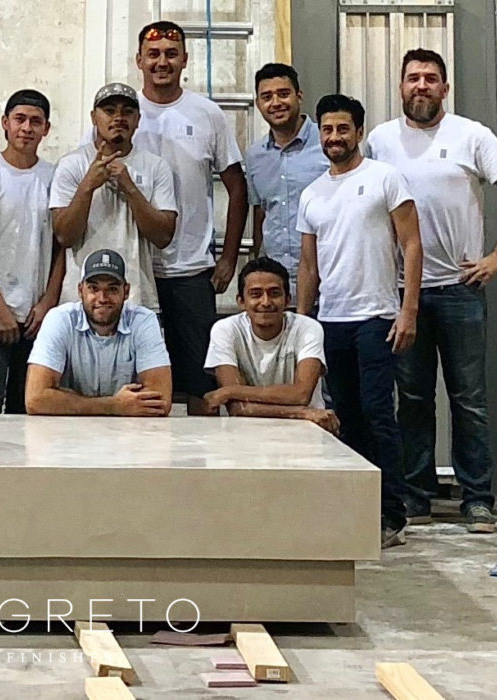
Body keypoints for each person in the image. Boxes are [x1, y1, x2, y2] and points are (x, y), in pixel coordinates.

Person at [367, 48, 497, 533]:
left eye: (430, 78)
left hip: (461, 290)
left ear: (445, 88)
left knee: (469, 399)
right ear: (401, 86)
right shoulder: (379, 140)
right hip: (405, 293)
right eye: (413, 78)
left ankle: (477, 499)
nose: (421, 85)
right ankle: (416, 496)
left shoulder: (471, 135)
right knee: (413, 399)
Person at [296, 94, 423, 549]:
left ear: (359, 132)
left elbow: (412, 245)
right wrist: (302, 324)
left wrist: (408, 310)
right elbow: (308, 266)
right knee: (345, 418)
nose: (334, 137)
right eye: (327, 130)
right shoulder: (311, 194)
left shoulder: (385, 178)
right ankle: (357, 511)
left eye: (343, 129)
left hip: (376, 317)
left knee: (377, 414)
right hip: (331, 321)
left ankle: (392, 514)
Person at [133, 20, 249, 414]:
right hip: (135, 270)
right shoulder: (122, 112)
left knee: (201, 381)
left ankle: (201, 453)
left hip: (191, 270)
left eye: (170, 54)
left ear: (185, 59)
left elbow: (237, 187)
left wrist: (229, 257)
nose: (161, 62)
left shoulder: (207, 113)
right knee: (139, 382)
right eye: (153, 54)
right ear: (139, 60)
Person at [0, 89, 64, 414]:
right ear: (5, 123)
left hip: (37, 316)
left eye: (36, 121)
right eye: (20, 119)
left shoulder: (55, 178)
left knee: (31, 406)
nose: (27, 128)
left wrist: (48, 302)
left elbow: (63, 247)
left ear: (46, 128)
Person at [51, 82, 176, 312]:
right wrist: (88, 186)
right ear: (93, 117)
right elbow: (64, 236)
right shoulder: (71, 164)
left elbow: (163, 236)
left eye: (127, 112)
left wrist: (130, 188)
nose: (118, 118)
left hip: (137, 298)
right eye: (109, 111)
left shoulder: (156, 166)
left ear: (138, 120)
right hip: (80, 300)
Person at [26, 249, 171, 416]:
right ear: (80, 290)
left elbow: (160, 401)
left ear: (126, 291)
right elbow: (35, 399)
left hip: (127, 429)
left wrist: (67, 400)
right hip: (70, 429)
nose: (102, 298)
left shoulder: (144, 321)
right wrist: (113, 405)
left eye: (112, 289)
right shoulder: (59, 319)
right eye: (93, 288)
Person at [203, 257, 337, 433]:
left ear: (287, 300)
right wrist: (301, 413)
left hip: (306, 430)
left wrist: (230, 391)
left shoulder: (308, 328)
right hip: (248, 430)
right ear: (241, 301)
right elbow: (237, 408)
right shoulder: (225, 330)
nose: (266, 302)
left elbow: (301, 394)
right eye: (256, 294)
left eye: (274, 293)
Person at [244, 63, 328, 301]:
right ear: (258, 103)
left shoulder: (327, 143)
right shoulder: (255, 156)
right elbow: (261, 213)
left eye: (283, 94)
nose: (276, 103)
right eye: (267, 97)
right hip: (277, 287)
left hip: (326, 281)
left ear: (299, 96)